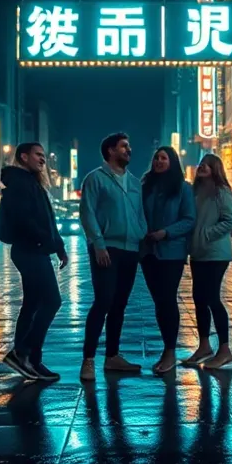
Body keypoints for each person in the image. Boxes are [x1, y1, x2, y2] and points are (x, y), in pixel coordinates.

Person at [78, 132, 149, 382]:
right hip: (106, 248)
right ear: (110, 151)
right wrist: (98, 244)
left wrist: (141, 234)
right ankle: (88, 360)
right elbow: (87, 213)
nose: (129, 150)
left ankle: (112, 356)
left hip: (130, 249)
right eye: (123, 146)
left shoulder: (134, 182)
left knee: (119, 304)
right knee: (103, 301)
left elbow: (140, 213)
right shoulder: (95, 178)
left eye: (129, 146)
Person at [0, 142, 68, 381]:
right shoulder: (20, 183)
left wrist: (58, 246)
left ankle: (32, 361)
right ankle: (22, 352)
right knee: (52, 301)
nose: (42, 159)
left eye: (44, 156)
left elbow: (48, 219)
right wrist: (46, 240)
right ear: (23, 156)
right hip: (29, 250)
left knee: (32, 304)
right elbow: (25, 219)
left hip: (36, 249)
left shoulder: (32, 183)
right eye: (38, 155)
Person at [140, 146, 196, 375]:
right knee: (159, 302)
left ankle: (170, 351)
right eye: (156, 158)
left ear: (172, 162)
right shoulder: (146, 188)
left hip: (172, 252)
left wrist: (166, 232)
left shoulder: (183, 189)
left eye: (164, 158)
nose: (159, 161)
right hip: (148, 253)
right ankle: (167, 348)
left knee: (167, 299)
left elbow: (189, 219)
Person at [185, 153, 232, 369]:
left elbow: (229, 220)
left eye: (207, 164)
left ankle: (224, 349)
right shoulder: (195, 192)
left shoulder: (221, 191)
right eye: (201, 164)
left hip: (216, 253)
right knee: (198, 298)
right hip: (198, 253)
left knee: (212, 298)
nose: (203, 167)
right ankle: (204, 346)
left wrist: (206, 233)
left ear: (216, 168)